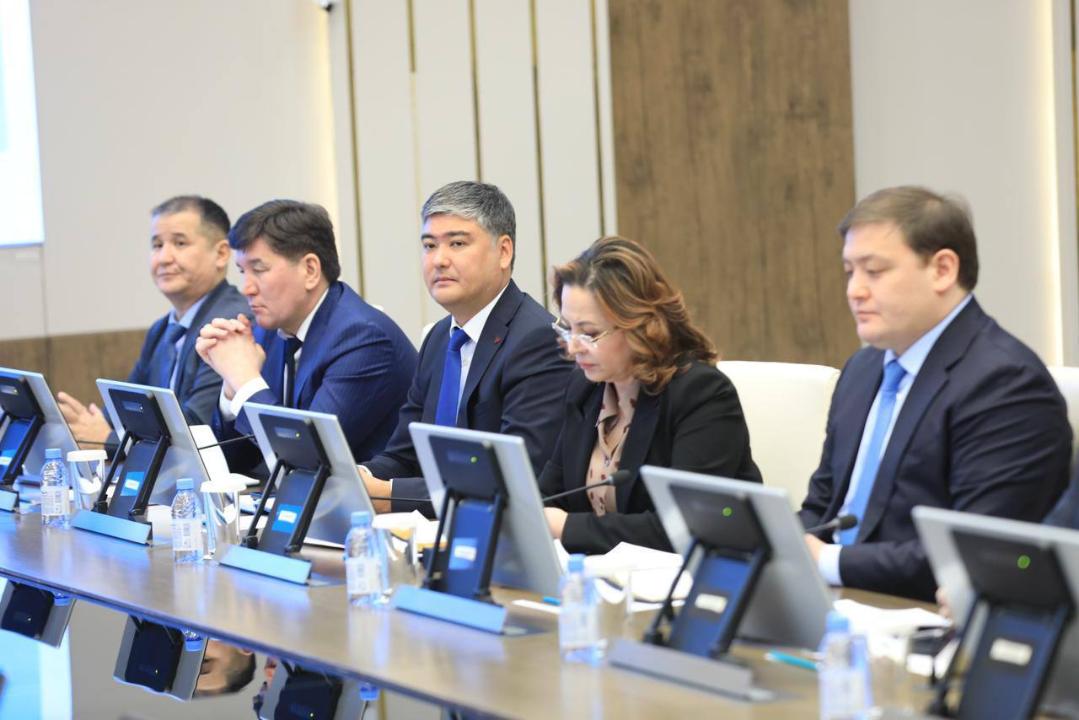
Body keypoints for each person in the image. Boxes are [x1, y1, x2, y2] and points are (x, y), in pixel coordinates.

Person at [800, 186, 1071, 601]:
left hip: (921, 610)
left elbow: (976, 549)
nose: (855, 290)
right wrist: (780, 545)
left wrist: (828, 561)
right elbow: (823, 506)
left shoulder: (1006, 383)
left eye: (874, 271)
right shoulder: (862, 369)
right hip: (834, 598)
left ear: (942, 270)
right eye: (850, 272)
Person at [359, 181, 573, 513]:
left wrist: (389, 494)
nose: (439, 260)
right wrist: (360, 476)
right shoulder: (439, 338)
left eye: (457, 243)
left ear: (504, 252)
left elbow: (513, 478)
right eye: (429, 246)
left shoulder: (538, 340)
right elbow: (404, 454)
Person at [538, 236, 761, 554]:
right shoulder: (585, 388)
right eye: (567, 329)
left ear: (639, 326)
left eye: (589, 334)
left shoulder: (701, 395)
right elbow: (549, 494)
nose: (573, 348)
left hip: (692, 575)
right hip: (600, 574)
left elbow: (685, 528)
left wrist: (566, 527)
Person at [196, 200, 416, 471]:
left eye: (259, 270)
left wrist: (245, 380)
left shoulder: (363, 339)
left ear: (310, 270)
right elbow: (235, 462)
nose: (246, 289)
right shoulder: (268, 330)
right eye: (243, 272)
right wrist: (232, 388)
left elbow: (308, 459)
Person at [57, 196, 249, 445]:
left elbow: (199, 428)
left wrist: (108, 439)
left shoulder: (229, 324)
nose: (164, 258)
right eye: (157, 245)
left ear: (221, 254)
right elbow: (127, 405)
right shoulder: (162, 329)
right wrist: (86, 423)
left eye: (180, 243)